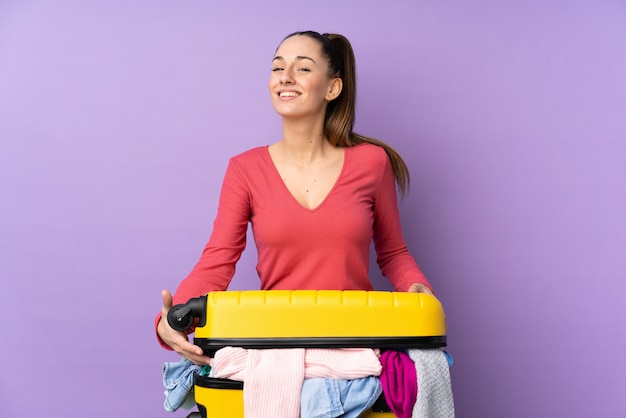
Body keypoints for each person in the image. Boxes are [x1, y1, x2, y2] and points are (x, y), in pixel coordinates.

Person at [155, 31, 435, 365]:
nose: (285, 77)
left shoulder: (372, 162)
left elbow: (393, 252)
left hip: (356, 339)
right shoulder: (244, 168)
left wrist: (417, 287)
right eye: (277, 68)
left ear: (332, 88)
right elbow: (218, 260)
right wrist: (172, 320)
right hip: (276, 342)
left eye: (302, 68)